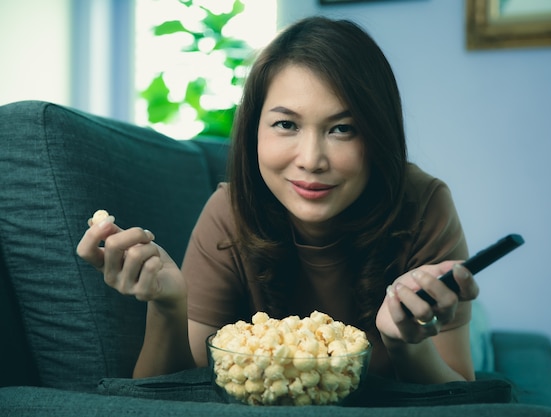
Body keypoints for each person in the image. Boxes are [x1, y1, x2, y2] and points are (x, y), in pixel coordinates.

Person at [77, 16, 479, 384]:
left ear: (379, 137)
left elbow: (464, 394)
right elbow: (164, 395)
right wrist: (167, 306)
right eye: (286, 124)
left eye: (342, 129)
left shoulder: (424, 205)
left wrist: (408, 342)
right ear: (254, 130)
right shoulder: (230, 213)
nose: (311, 160)